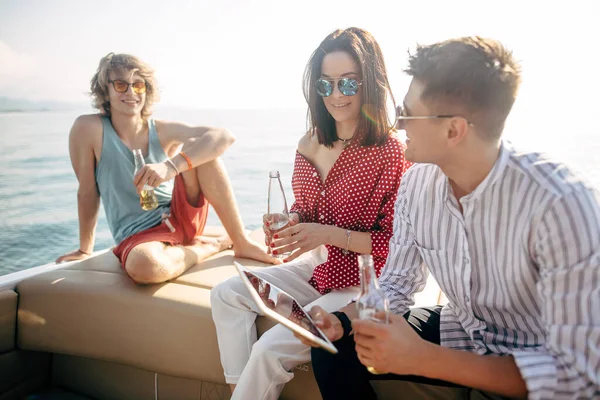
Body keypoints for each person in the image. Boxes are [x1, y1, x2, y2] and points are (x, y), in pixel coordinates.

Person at [305, 36, 600, 400]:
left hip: (534, 350)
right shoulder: (415, 182)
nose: (397, 125)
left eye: (407, 113)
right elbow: (397, 284)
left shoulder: (561, 204)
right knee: (331, 350)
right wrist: (343, 321)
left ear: (453, 130)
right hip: (461, 329)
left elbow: (577, 376)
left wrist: (425, 359)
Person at [210, 27, 412, 399]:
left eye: (348, 84)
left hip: (364, 281)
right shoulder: (310, 141)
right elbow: (305, 211)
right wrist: (291, 224)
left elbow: (396, 245)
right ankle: (240, 390)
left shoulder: (391, 152)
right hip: (318, 269)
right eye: (326, 85)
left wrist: (327, 234)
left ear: (369, 84)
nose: (336, 95)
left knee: (269, 349)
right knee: (226, 294)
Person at [56, 53, 276, 283]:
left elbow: (223, 136)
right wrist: (85, 249)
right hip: (139, 235)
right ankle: (212, 245)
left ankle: (240, 240)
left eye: (138, 85)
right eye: (121, 84)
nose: (131, 92)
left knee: (202, 148)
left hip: (181, 216)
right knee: (144, 267)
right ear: (106, 90)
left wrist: (169, 167)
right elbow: (88, 192)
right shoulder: (88, 128)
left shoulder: (161, 130)